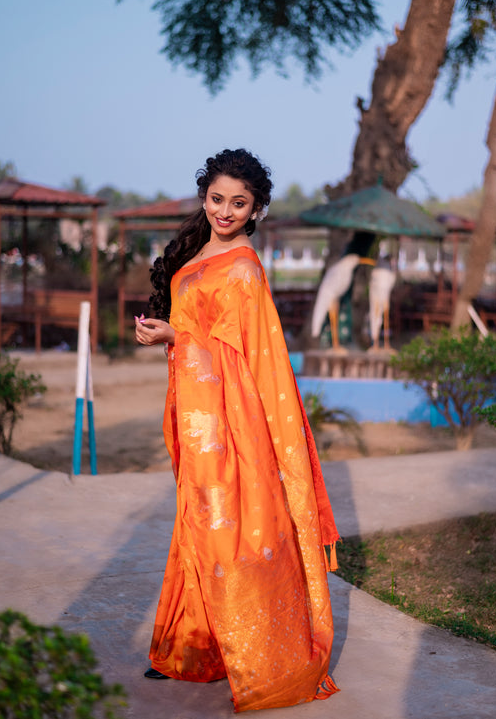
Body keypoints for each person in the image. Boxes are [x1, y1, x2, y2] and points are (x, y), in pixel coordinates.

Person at [135, 148, 340, 712]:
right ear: (205, 197)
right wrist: (165, 331)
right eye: (217, 198)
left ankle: (254, 651)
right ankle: (194, 646)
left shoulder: (244, 268)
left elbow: (244, 356)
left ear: (256, 210)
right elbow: (200, 328)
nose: (224, 211)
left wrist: (176, 338)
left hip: (231, 420)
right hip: (198, 412)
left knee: (231, 529)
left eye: (238, 203)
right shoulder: (198, 250)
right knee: (197, 522)